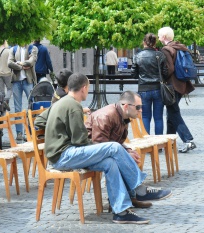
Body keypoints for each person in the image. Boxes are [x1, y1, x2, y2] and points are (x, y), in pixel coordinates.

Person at [36, 73, 171, 224]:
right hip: (64, 155)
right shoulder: (73, 106)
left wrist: (57, 132)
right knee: (113, 147)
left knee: (110, 163)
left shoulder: (61, 102)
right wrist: (100, 148)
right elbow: (80, 141)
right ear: (84, 88)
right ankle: (139, 189)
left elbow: (38, 120)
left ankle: (121, 211)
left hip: (62, 154)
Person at [84, 91, 154, 209]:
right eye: (138, 107)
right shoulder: (106, 115)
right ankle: (123, 199)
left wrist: (127, 150)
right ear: (126, 106)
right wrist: (124, 153)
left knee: (130, 154)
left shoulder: (123, 116)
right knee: (119, 160)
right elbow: (99, 144)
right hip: (90, 153)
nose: (141, 110)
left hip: (103, 149)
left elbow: (117, 142)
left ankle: (131, 197)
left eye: (141, 107)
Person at [158, 27, 196, 153]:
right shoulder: (180, 46)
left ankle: (188, 140)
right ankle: (171, 142)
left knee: (174, 113)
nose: (158, 38)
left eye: (159, 36)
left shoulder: (166, 49)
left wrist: (161, 76)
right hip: (181, 84)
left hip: (171, 86)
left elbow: (169, 69)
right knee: (171, 113)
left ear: (163, 37)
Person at [131, 33, 166, 135]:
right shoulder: (160, 55)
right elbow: (166, 72)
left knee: (145, 116)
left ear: (144, 42)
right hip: (158, 88)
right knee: (158, 117)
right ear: (155, 43)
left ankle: (147, 142)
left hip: (143, 89)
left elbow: (133, 74)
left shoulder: (137, 56)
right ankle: (159, 144)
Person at [8, 43, 38, 140]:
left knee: (31, 106)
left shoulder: (32, 48)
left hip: (28, 81)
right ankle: (19, 133)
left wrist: (18, 63)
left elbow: (30, 62)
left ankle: (30, 131)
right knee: (17, 108)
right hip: (16, 81)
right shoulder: (13, 49)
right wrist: (21, 66)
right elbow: (9, 63)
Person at [0, 41, 12, 111]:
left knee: (1, 91)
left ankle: (1, 107)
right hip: (7, 73)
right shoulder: (9, 51)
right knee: (10, 89)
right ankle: (6, 101)